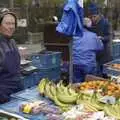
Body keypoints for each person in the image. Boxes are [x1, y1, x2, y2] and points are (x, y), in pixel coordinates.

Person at [0, 8, 23, 103]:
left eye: (13, 24)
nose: (11, 27)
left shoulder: (12, 42)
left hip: (18, 91)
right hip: (3, 94)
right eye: (7, 23)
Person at [72, 18, 104, 83]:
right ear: (89, 26)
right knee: (90, 84)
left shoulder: (73, 35)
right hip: (89, 64)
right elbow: (100, 47)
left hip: (75, 64)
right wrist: (99, 40)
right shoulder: (93, 35)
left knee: (77, 85)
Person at [88, 2, 112, 77]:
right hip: (94, 55)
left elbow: (110, 36)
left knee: (105, 75)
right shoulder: (90, 24)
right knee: (96, 76)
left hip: (104, 54)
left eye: (94, 17)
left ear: (99, 15)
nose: (92, 19)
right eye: (91, 17)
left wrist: (102, 38)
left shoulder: (106, 23)